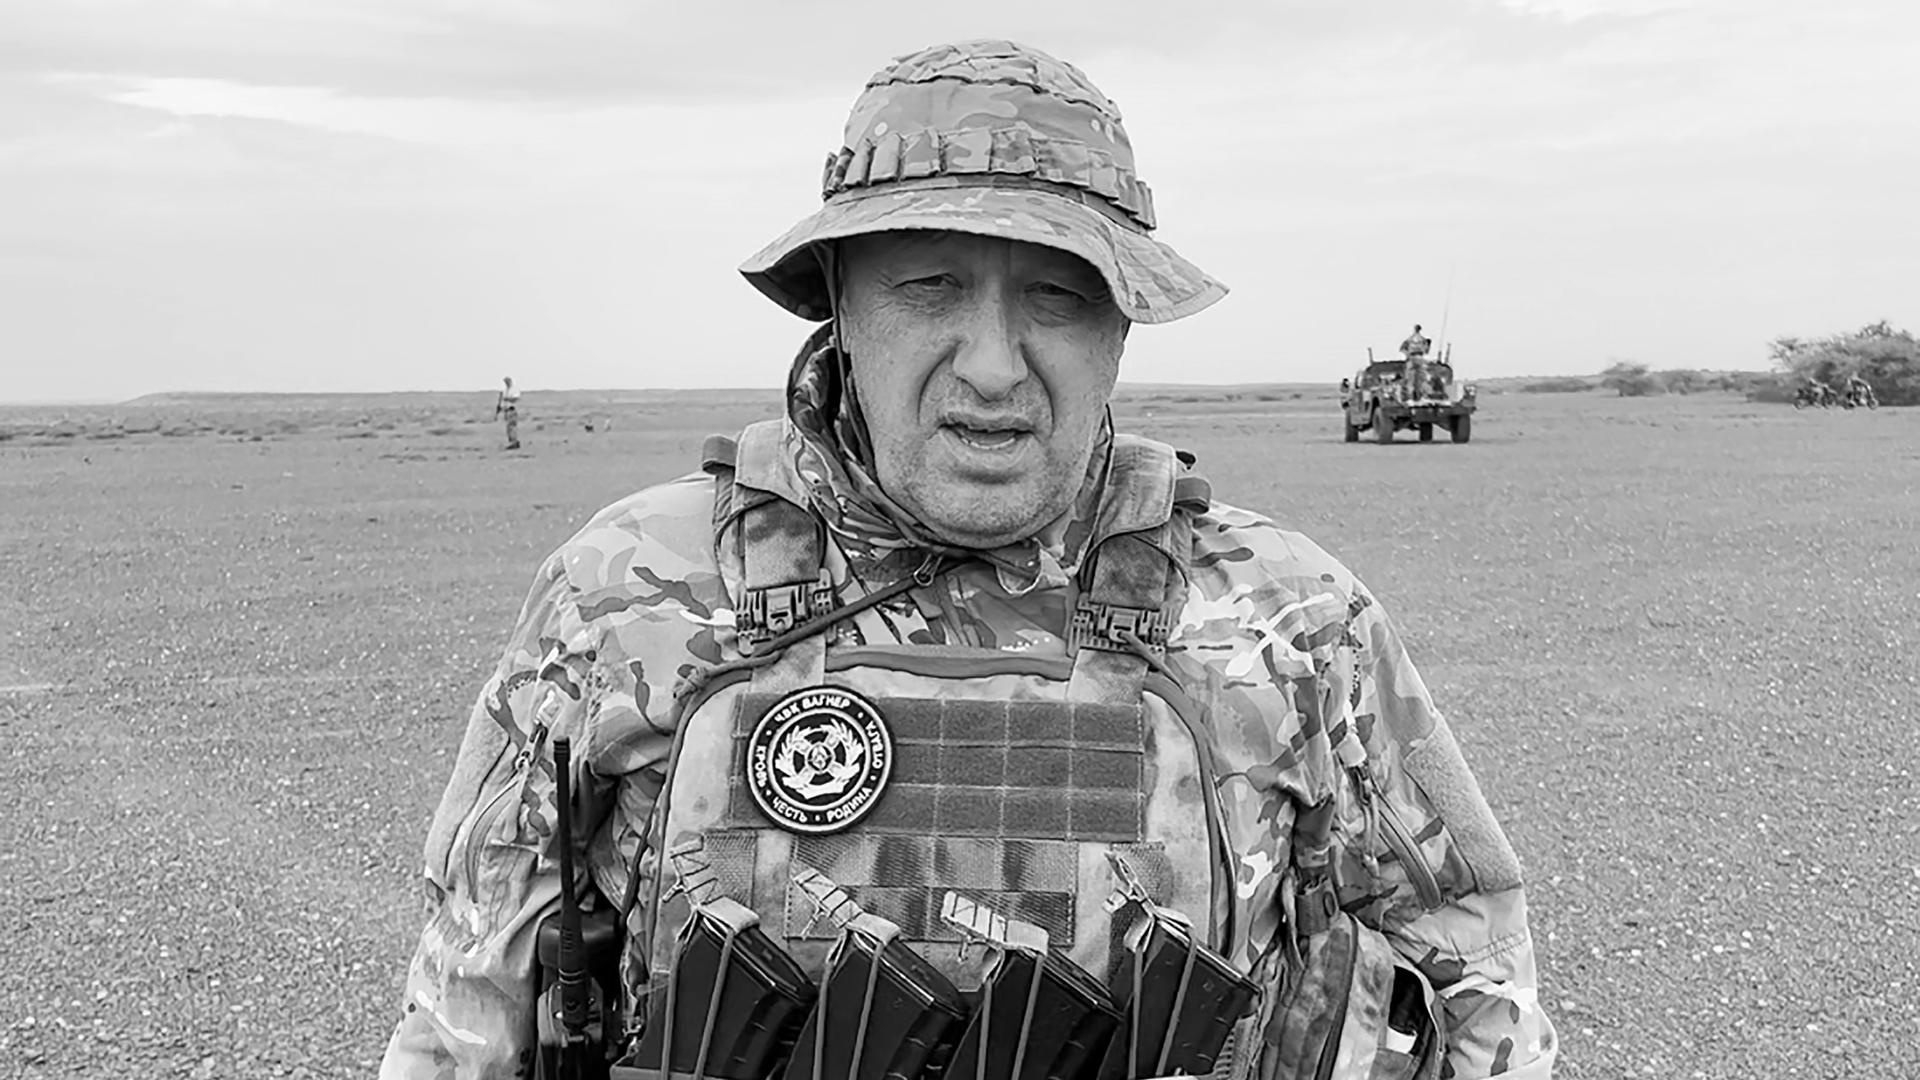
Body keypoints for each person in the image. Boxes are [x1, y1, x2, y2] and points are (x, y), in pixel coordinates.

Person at [382, 39, 1556, 1080]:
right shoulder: (623, 591)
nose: (993, 364)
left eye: (1057, 295)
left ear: (1120, 326)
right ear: (840, 303)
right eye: (930, 284)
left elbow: (1471, 970)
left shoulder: (1291, 618)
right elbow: (469, 1001)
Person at [494, 376, 522, 449]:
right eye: (505, 382)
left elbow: (515, 399)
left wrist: (507, 399)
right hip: (506, 411)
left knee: (511, 427)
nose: (506, 383)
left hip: (512, 410)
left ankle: (514, 442)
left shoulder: (514, 389)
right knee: (508, 428)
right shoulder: (505, 390)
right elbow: (501, 401)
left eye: (507, 381)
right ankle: (512, 442)